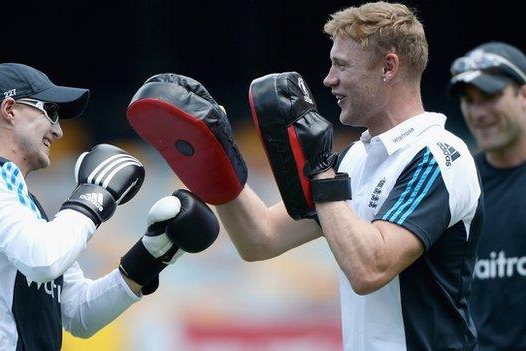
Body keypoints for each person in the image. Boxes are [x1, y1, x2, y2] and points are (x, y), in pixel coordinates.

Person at [127, 2, 483, 350]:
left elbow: (370, 269)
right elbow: (260, 238)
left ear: (388, 67)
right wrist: (219, 157)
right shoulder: (356, 158)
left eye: (342, 65)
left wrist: (318, 169)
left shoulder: (437, 154)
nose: (329, 79)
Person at [0, 63, 219, 350]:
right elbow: (43, 259)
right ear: (9, 110)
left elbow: (81, 314)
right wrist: (93, 196)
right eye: (51, 112)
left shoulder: (28, 210)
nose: (58, 130)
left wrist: (152, 255)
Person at [448, 42, 526, 350]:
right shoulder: (455, 185)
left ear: (523, 95)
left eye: (491, 96)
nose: (478, 113)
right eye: (468, 100)